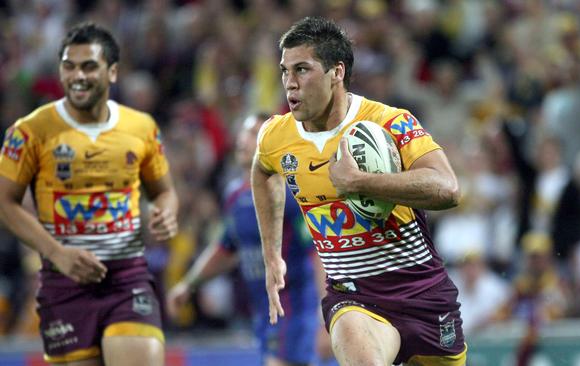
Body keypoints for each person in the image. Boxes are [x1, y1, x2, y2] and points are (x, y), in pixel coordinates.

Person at [252, 17, 466, 366]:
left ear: (337, 72)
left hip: (423, 294)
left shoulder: (390, 121)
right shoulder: (276, 136)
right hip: (354, 296)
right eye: (284, 71)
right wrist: (271, 254)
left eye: (302, 70)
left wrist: (360, 182)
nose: (289, 84)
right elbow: (262, 172)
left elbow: (448, 188)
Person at [0, 22, 178, 366]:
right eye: (69, 66)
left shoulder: (141, 127)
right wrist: (58, 253)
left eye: (89, 66)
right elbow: (3, 202)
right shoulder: (30, 131)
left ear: (112, 72)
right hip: (63, 283)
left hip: (127, 279)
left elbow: (165, 192)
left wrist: (166, 212)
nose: (77, 75)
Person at [167, 113, 327, 366]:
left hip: (295, 309)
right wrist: (189, 285)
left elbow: (317, 250)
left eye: (254, 133)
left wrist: (324, 311)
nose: (244, 139)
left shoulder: (290, 192)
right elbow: (226, 248)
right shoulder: (234, 196)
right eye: (244, 132)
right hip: (263, 313)